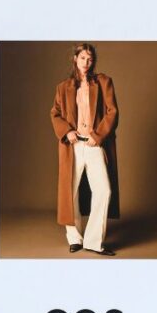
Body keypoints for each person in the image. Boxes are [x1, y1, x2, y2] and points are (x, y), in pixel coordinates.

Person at [50, 43, 119, 256]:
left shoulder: (104, 82)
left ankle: (93, 241)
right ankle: (75, 238)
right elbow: (55, 113)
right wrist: (67, 131)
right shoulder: (63, 87)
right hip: (73, 145)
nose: (86, 63)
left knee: (104, 190)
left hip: (93, 144)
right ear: (75, 59)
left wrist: (97, 136)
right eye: (82, 58)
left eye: (89, 59)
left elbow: (112, 112)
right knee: (70, 192)